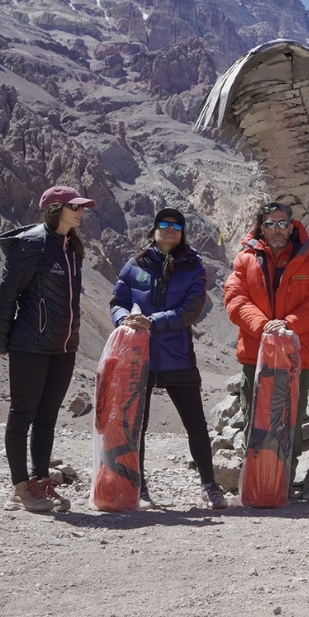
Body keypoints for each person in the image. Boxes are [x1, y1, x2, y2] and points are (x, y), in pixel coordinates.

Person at [109, 208, 228, 510]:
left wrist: (152, 321)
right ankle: (139, 486)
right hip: (139, 358)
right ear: (154, 229)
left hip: (178, 357)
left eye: (177, 225)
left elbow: (191, 309)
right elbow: (118, 302)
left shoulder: (193, 267)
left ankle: (209, 486)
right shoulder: (135, 265)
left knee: (196, 425)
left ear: (183, 233)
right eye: (164, 223)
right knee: (137, 425)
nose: (170, 228)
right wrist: (125, 320)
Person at [0, 185, 96, 512]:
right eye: (74, 207)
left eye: (82, 207)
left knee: (48, 418)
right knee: (22, 414)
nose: (81, 211)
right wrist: (1, 340)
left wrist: (72, 339)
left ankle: (39, 483)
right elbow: (7, 295)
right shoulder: (31, 244)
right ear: (55, 209)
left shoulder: (71, 247)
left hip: (63, 347)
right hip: (30, 345)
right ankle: (20, 486)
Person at [224, 201, 309, 492]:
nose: (277, 229)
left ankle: (282, 486)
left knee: (290, 420)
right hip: (255, 352)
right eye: (270, 224)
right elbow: (235, 301)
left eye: (282, 223)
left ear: (291, 225)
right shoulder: (244, 260)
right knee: (253, 417)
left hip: (296, 354)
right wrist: (265, 327)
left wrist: (287, 325)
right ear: (261, 227)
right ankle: (255, 485)